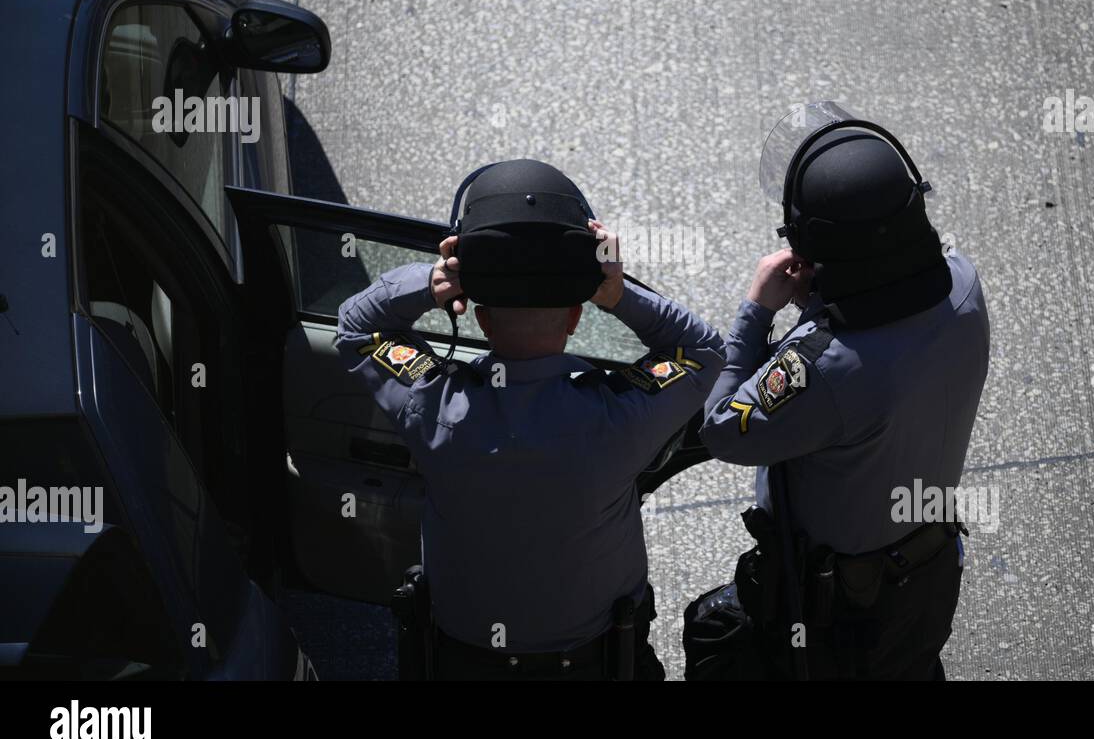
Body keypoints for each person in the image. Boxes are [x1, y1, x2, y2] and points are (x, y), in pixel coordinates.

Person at [337, 159, 724, 679]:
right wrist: (616, 292)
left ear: (479, 315)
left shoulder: (431, 406)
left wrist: (435, 281)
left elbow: (356, 328)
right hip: (598, 664)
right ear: (574, 316)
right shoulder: (620, 417)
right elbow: (703, 349)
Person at [692, 103, 990, 680]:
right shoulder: (964, 282)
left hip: (836, 608)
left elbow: (723, 427)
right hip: (925, 573)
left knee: (714, 635)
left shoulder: (822, 364)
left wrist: (758, 308)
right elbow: (893, 343)